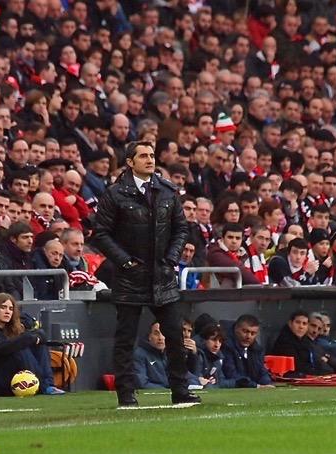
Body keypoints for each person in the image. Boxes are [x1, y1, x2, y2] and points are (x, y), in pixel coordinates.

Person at [93, 141, 196, 407]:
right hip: (130, 277)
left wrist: (172, 258)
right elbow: (101, 234)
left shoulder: (167, 191)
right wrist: (125, 262)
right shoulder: (115, 194)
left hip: (162, 274)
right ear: (130, 161)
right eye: (143, 156)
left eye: (152, 155)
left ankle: (180, 391)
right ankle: (126, 394)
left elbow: (181, 229)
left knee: (175, 334)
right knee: (126, 338)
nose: (150, 160)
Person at [0, 293, 65, 396]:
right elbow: (2, 347)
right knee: (19, 348)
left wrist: (34, 338)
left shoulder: (12, 328)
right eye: (3, 308)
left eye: (11, 309)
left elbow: (41, 335)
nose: (7, 311)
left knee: (39, 345)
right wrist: (27, 338)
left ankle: (48, 385)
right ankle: (42, 385)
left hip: (14, 377)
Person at [271, 311, 334, 376]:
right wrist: (319, 373)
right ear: (290, 323)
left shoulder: (305, 341)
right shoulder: (284, 342)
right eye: (298, 322)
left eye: (304, 324)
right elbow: (297, 367)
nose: (301, 326)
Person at [221, 315, 273, 388]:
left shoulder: (257, 349)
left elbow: (262, 371)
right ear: (236, 329)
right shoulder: (226, 346)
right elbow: (231, 374)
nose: (249, 336)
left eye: (253, 333)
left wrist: (267, 384)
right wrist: (255, 386)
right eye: (245, 331)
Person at [132, 322, 169, 389]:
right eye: (156, 334)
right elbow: (141, 383)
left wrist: (193, 385)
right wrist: (167, 390)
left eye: (163, 333)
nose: (160, 338)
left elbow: (185, 376)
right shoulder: (139, 354)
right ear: (149, 337)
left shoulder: (171, 353)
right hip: (152, 395)